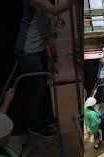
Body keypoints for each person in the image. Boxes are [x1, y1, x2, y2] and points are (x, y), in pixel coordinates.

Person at [14, 0, 76, 138]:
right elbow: (54, 10)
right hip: (28, 50)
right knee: (37, 89)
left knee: (44, 88)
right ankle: (36, 126)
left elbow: (50, 16)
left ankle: (46, 120)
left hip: (39, 48)